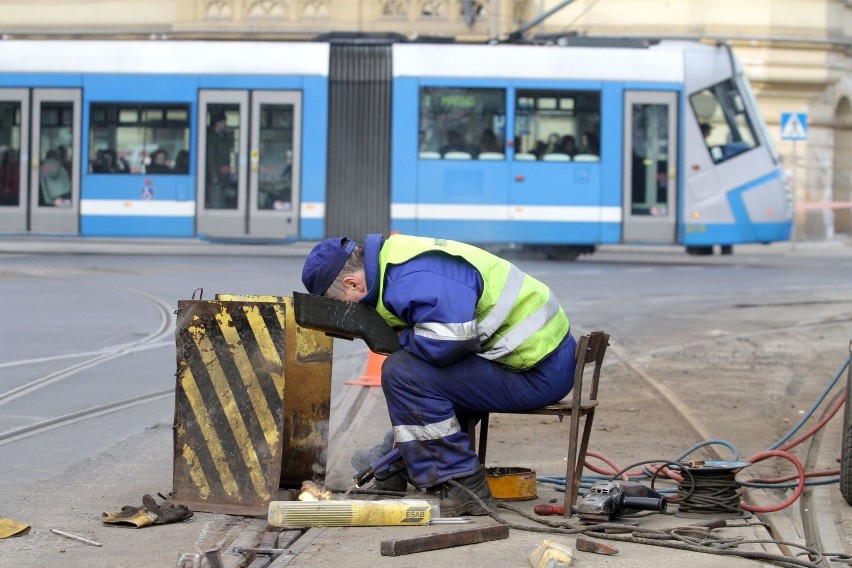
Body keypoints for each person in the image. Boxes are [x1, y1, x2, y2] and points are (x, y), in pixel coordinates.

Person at [301, 234, 576, 516]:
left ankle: (463, 484)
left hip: (537, 373)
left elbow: (449, 343)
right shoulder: (394, 260)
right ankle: (396, 461)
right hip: (531, 360)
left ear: (352, 283)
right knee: (414, 371)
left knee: (403, 373)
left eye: (345, 304)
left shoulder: (413, 280)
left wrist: (401, 336)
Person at [206, 113, 234, 208]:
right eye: (223, 122)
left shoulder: (224, 136)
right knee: (216, 200)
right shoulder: (211, 137)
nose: (225, 124)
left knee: (222, 199)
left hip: (224, 173)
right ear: (217, 123)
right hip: (216, 175)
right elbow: (211, 157)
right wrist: (214, 175)